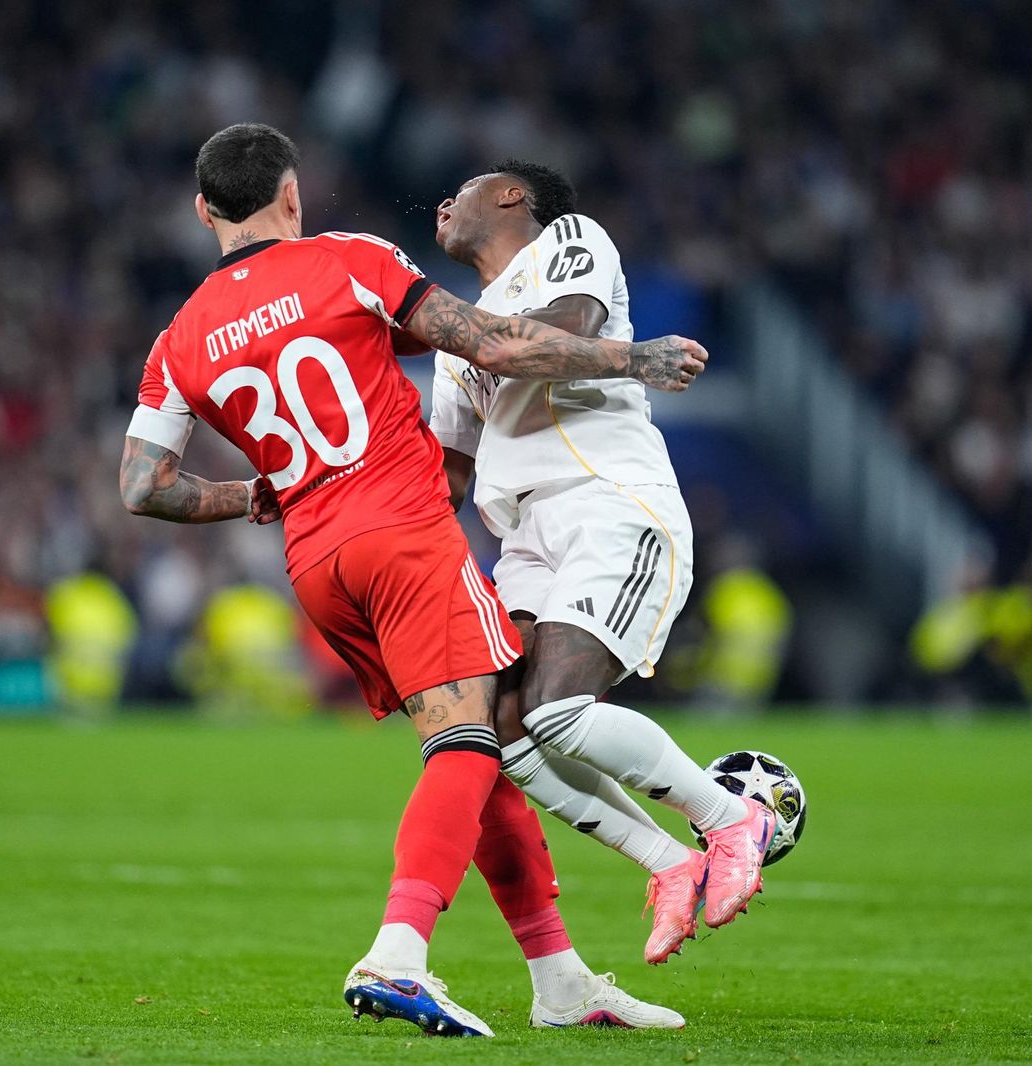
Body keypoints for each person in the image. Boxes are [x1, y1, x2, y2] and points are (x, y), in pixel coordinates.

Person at [118, 124, 707, 1037]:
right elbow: (497, 346)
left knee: (477, 752)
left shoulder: (177, 337)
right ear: (291, 197)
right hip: (400, 532)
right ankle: (398, 954)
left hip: (315, 563)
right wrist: (634, 357)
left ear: (203, 211)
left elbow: (142, 486)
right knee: (472, 744)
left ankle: (560, 981)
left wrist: (254, 494)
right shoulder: (351, 259)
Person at [429, 162, 778, 966]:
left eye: (467, 191)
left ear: (514, 198)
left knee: (555, 711)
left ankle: (730, 818)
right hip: (524, 535)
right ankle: (671, 863)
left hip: (606, 500)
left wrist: (628, 359)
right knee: (501, 730)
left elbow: (561, 335)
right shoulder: (459, 334)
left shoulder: (570, 241)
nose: (445, 204)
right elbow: (447, 469)